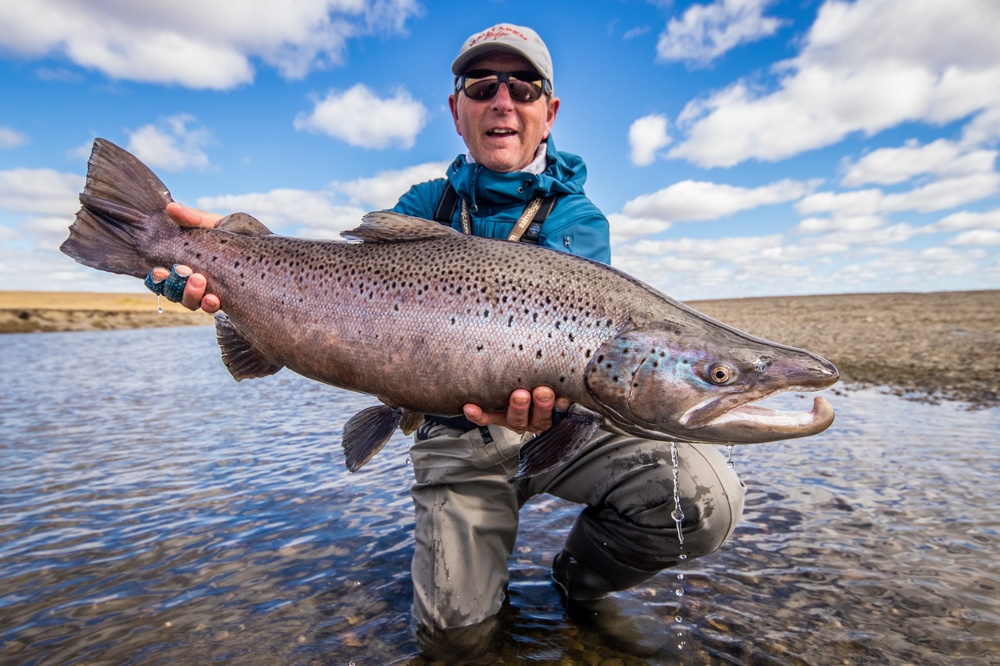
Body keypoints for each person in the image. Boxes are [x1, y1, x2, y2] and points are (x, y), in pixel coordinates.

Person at [154, 23, 745, 653]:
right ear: (456, 111)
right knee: (452, 642)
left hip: (567, 429)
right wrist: (231, 257)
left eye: (523, 87)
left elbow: (595, 357)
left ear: (550, 112)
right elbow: (339, 283)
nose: (502, 100)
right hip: (452, 437)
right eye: (481, 84)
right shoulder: (425, 202)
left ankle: (575, 584)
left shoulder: (577, 220)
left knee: (705, 498)